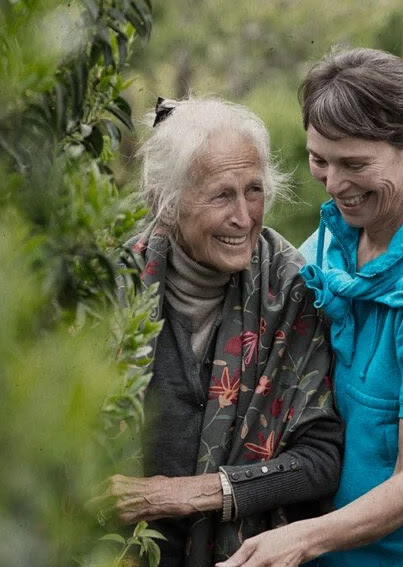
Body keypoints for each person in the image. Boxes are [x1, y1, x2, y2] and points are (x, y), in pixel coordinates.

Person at [218, 47, 403, 567]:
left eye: (355, 164)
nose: (335, 185)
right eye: (320, 160)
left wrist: (299, 539)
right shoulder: (332, 247)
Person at [104, 96, 344, 566]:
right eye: (220, 195)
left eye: (253, 190)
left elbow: (320, 460)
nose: (243, 216)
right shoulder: (113, 283)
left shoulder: (293, 291)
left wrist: (184, 494)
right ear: (165, 203)